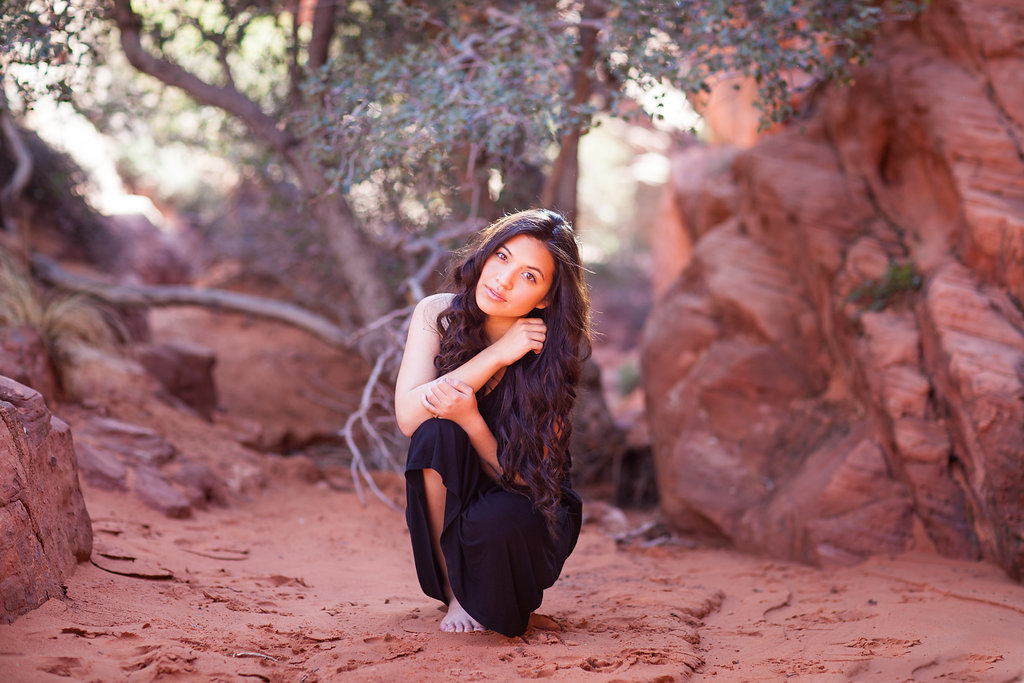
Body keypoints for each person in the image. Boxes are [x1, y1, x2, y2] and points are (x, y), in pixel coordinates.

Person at [395, 209, 591, 636]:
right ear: (485, 255)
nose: (503, 280)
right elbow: (409, 417)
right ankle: (456, 592)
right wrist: (497, 355)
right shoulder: (436, 314)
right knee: (434, 433)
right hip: (458, 489)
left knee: (501, 517)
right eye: (502, 257)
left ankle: (497, 595)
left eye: (528, 276)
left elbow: (527, 480)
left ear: (545, 298)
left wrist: (471, 421)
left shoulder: (550, 354)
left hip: (526, 504)